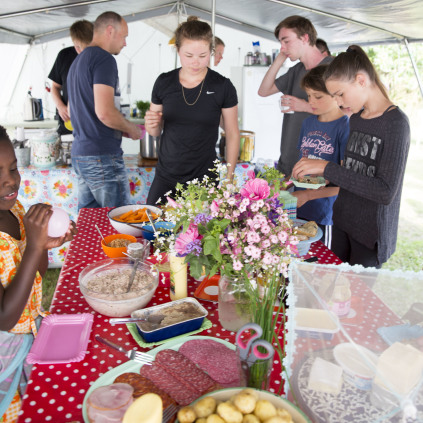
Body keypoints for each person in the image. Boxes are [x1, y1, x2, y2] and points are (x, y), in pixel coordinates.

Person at [292, 45, 410, 268]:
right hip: (341, 223)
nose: (338, 102)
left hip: (369, 235)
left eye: (340, 94)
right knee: (331, 291)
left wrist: (326, 167)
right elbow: (348, 177)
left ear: (361, 81)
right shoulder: (356, 118)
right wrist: (321, 176)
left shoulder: (395, 124)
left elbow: (384, 192)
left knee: (356, 299)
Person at [0, 125, 77, 422]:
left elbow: (38, 273)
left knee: (40, 404)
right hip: (6, 352)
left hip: (33, 334)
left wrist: (45, 243)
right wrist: (34, 245)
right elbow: (5, 318)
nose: (9, 181)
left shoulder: (15, 210)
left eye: (13, 168)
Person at [145, 16, 239, 206]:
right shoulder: (164, 82)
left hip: (205, 178)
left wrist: (229, 177)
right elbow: (155, 132)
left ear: (211, 51)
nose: (195, 62)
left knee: (203, 234)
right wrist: (151, 125)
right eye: (189, 56)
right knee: (154, 230)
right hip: (166, 176)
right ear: (178, 50)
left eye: (202, 55)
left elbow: (232, 133)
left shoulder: (222, 86)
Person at [67, 11, 142, 210]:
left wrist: (120, 127)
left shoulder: (78, 62)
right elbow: (104, 112)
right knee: (119, 220)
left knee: (89, 222)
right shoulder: (103, 59)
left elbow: (79, 110)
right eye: (124, 36)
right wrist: (132, 128)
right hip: (101, 156)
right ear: (110, 31)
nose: (125, 43)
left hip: (81, 154)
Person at [258, 15, 332, 177]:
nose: (282, 47)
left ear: (305, 38)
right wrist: (280, 59)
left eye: (286, 41)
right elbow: (263, 91)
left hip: (316, 169)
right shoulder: (296, 70)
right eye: (280, 43)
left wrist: (304, 106)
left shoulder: (333, 67)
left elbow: (345, 112)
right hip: (288, 163)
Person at [291, 65, 349, 248]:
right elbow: (301, 167)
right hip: (299, 206)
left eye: (318, 96)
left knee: (321, 264)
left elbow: (346, 184)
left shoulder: (345, 127)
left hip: (325, 213)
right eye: (308, 95)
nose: (311, 101)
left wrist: (308, 194)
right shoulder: (307, 123)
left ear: (336, 94)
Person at [48, 19, 94, 135]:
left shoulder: (98, 57)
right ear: (76, 45)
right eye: (80, 47)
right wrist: (60, 106)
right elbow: (55, 87)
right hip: (68, 124)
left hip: (90, 125)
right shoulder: (64, 56)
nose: (84, 51)